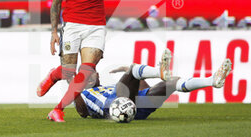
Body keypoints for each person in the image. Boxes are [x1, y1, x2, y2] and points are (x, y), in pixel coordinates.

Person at [37, 0, 147, 122]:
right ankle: (55, 75)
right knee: (69, 72)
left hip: (96, 25)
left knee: (87, 71)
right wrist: (54, 31)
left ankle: (58, 110)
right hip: (72, 24)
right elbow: (56, 1)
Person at [74, 49, 232, 120]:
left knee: (171, 82)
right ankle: (158, 70)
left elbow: (145, 89)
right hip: (114, 105)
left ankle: (212, 80)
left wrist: (129, 71)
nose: (88, 76)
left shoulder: (108, 87)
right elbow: (82, 113)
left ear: (97, 74)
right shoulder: (82, 95)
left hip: (139, 109)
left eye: (91, 72)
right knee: (135, 69)